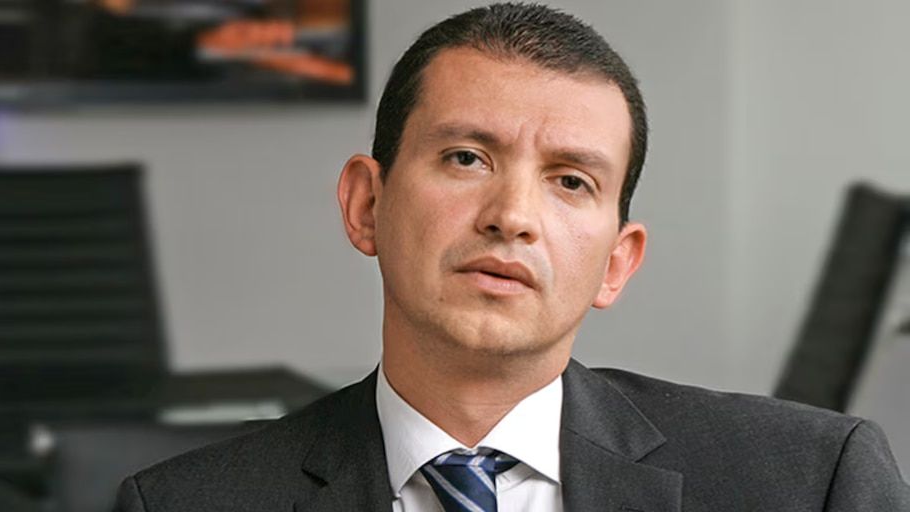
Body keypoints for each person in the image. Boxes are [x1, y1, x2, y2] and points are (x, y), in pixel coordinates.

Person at [114, 3, 910, 511]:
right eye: (466, 158)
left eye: (570, 181)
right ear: (366, 205)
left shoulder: (811, 482)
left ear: (616, 263)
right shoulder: (183, 504)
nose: (513, 217)